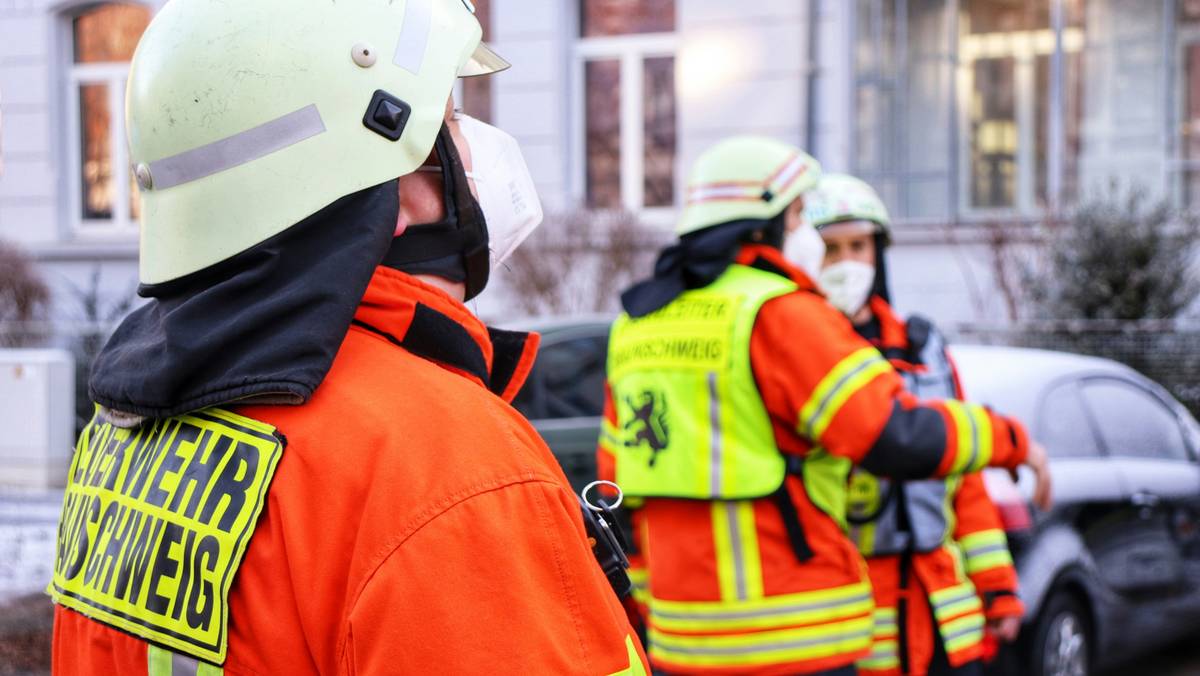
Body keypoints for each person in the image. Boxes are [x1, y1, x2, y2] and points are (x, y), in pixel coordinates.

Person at [47, 1, 647, 673]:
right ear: (387, 186)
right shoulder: (445, 467)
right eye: (444, 123)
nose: (475, 149)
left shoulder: (125, 425)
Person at [598, 136, 1050, 675]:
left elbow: (617, 486)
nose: (810, 236)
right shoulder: (779, 311)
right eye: (798, 217)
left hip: (683, 638)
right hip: (795, 632)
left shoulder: (636, 324)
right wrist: (1015, 443)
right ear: (763, 224)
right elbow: (891, 433)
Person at [808, 174, 1025, 676]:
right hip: (859, 615)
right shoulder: (803, 356)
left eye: (858, 245)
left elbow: (963, 478)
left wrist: (997, 587)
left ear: (878, 252)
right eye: (829, 249)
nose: (846, 263)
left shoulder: (922, 346)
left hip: (947, 616)